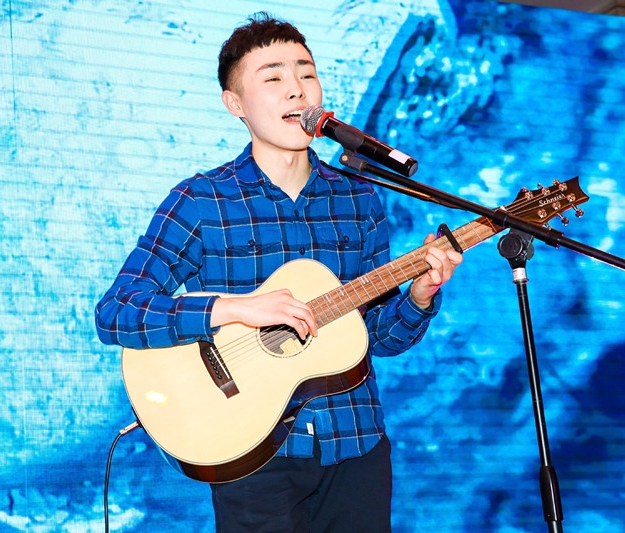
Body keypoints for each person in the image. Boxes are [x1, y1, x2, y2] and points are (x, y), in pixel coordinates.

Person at [95, 12, 463, 533]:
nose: (296, 88)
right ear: (235, 104)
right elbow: (116, 312)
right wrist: (234, 309)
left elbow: (377, 338)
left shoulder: (359, 197)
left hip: (355, 442)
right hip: (252, 453)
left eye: (306, 73)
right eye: (273, 77)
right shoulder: (202, 200)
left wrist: (420, 297)